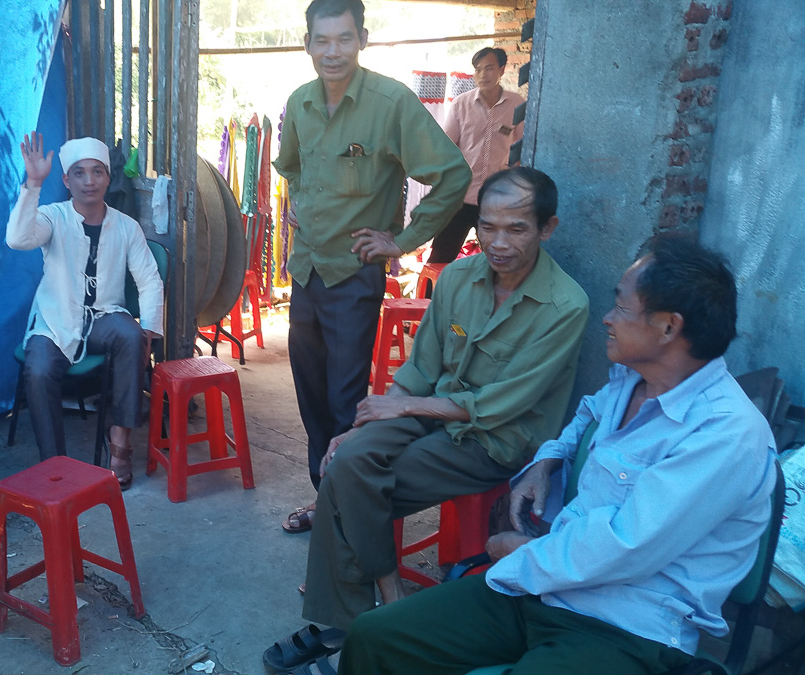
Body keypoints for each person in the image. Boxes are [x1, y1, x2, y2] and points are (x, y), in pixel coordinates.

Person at [337, 235, 777, 675]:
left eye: (621, 307)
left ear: (667, 327)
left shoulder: (725, 435)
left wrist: (522, 552)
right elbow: (587, 415)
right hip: (545, 588)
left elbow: (625, 545)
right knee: (377, 637)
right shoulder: (631, 382)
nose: (607, 318)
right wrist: (547, 462)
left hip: (627, 627)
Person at [263, 166, 588, 673]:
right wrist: (365, 425)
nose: (498, 243)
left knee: (349, 483)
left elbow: (502, 405)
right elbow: (420, 371)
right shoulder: (458, 277)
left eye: (517, 229)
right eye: (488, 226)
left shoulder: (565, 305)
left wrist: (401, 407)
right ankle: (385, 608)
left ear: (547, 228)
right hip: (431, 410)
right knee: (347, 456)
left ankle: (356, 620)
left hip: (494, 439)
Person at [273, 0, 472, 534]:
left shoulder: (391, 103)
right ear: (307, 43)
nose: (332, 51)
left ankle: (346, 512)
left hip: (353, 274)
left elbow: (452, 175)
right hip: (306, 270)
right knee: (310, 394)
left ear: (363, 39)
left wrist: (401, 240)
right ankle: (327, 497)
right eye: (322, 40)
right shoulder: (300, 102)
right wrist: (300, 201)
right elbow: (291, 167)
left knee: (346, 399)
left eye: (344, 38)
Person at [6, 133, 163, 489]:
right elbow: (17, 239)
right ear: (66, 180)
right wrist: (33, 184)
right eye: (79, 172)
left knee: (132, 335)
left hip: (104, 317)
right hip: (55, 319)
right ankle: (55, 465)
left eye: (97, 172)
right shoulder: (53, 216)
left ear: (108, 177)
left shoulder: (126, 226)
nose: (89, 181)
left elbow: (149, 279)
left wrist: (150, 329)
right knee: (39, 370)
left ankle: (120, 443)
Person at [430, 47, 526, 264]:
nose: (483, 75)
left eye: (489, 68)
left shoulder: (516, 105)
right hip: (461, 197)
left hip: (497, 199)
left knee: (500, 260)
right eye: (478, 69)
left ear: (502, 70)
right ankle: (433, 289)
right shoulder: (461, 104)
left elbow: (523, 150)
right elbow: (446, 148)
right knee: (440, 258)